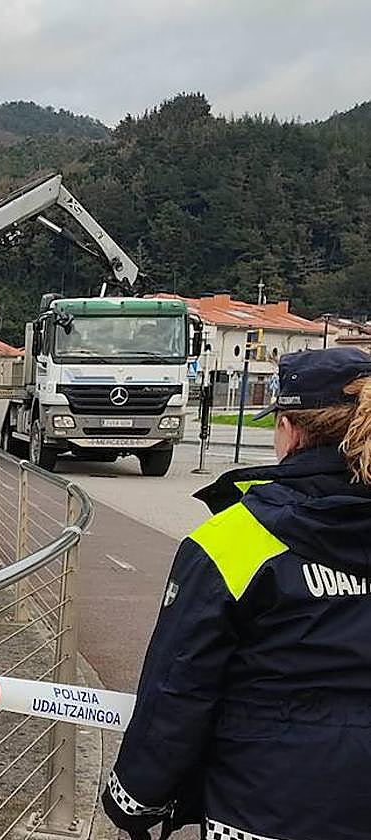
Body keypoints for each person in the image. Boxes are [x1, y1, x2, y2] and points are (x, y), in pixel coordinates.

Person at [103, 347, 371, 840]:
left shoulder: (234, 539)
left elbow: (180, 685)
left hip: (263, 806)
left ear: (289, 428)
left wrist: (134, 798)